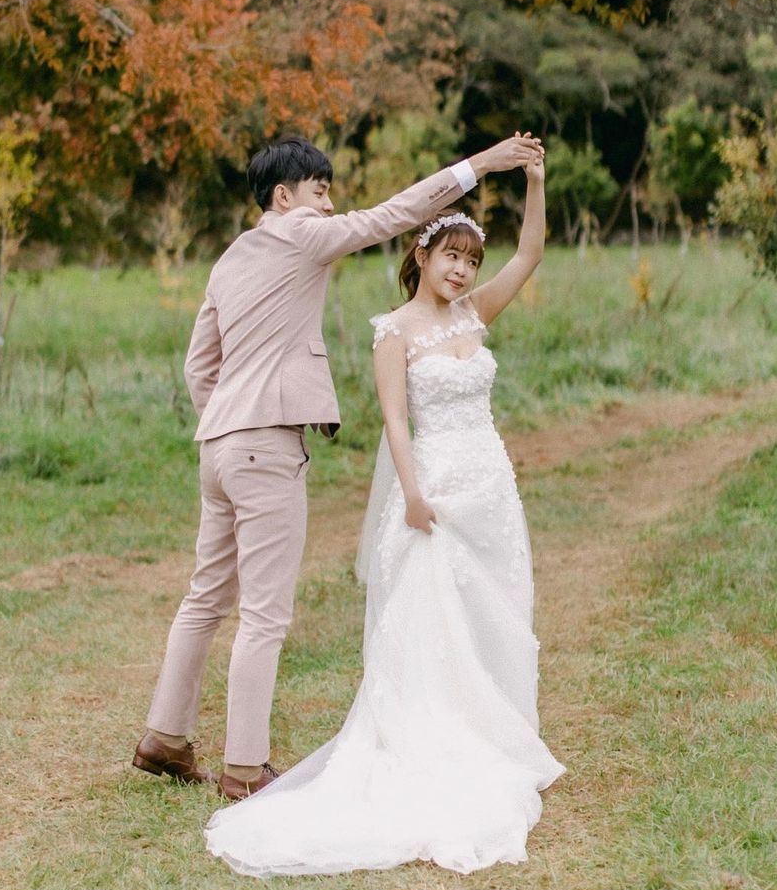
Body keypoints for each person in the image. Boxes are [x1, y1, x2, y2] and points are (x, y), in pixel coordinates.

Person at [132, 132, 545, 801]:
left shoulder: (232, 258)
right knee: (265, 615)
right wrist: (482, 165)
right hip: (265, 446)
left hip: (219, 445)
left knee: (205, 596)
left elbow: (197, 363)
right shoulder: (301, 235)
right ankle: (245, 769)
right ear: (283, 196)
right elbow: (395, 215)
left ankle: (164, 737)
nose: (329, 205)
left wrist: (226, 419)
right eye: (319, 191)